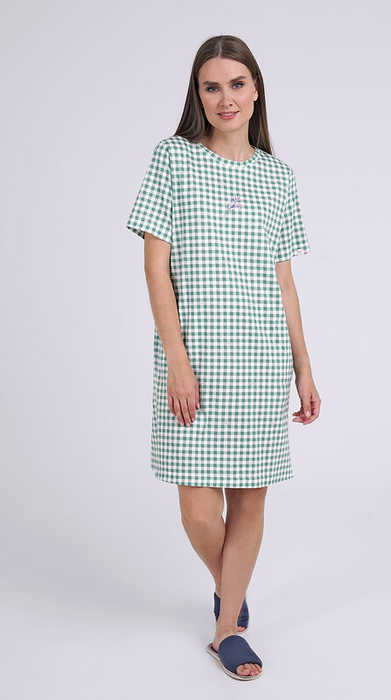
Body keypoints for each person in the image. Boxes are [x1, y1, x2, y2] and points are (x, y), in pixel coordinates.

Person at [126, 34, 321, 681]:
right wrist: (177, 361)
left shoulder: (278, 176)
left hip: (261, 362)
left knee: (249, 505)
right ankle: (230, 591)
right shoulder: (173, 159)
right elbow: (155, 269)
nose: (225, 98)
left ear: (256, 90)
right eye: (211, 86)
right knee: (198, 513)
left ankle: (225, 629)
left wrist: (304, 366)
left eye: (236, 84)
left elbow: (283, 282)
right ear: (198, 95)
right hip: (194, 365)